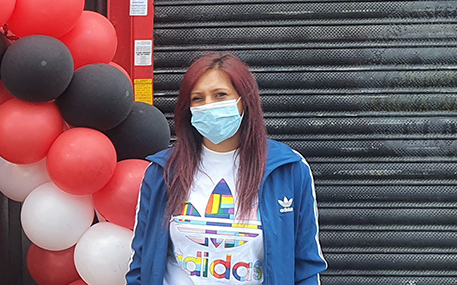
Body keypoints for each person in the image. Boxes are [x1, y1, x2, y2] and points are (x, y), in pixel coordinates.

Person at [126, 53, 326, 285]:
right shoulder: (162, 171)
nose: (209, 105)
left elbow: (306, 265)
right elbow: (141, 264)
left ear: (244, 100)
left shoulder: (288, 169)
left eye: (220, 95)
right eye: (198, 99)